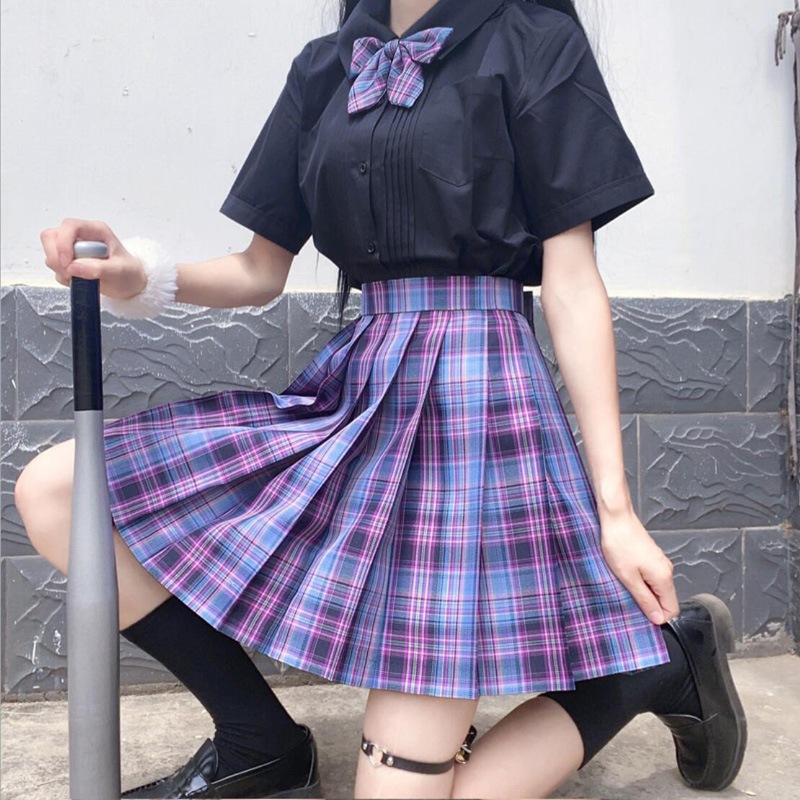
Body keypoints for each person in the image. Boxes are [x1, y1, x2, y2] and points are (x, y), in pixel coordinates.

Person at [15, 0, 747, 798]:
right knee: (57, 492)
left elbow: (571, 284)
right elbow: (260, 269)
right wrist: (140, 275)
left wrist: (617, 512)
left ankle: (654, 668)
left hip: (475, 405)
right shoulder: (326, 66)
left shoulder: (534, 40)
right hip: (363, 387)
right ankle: (260, 741)